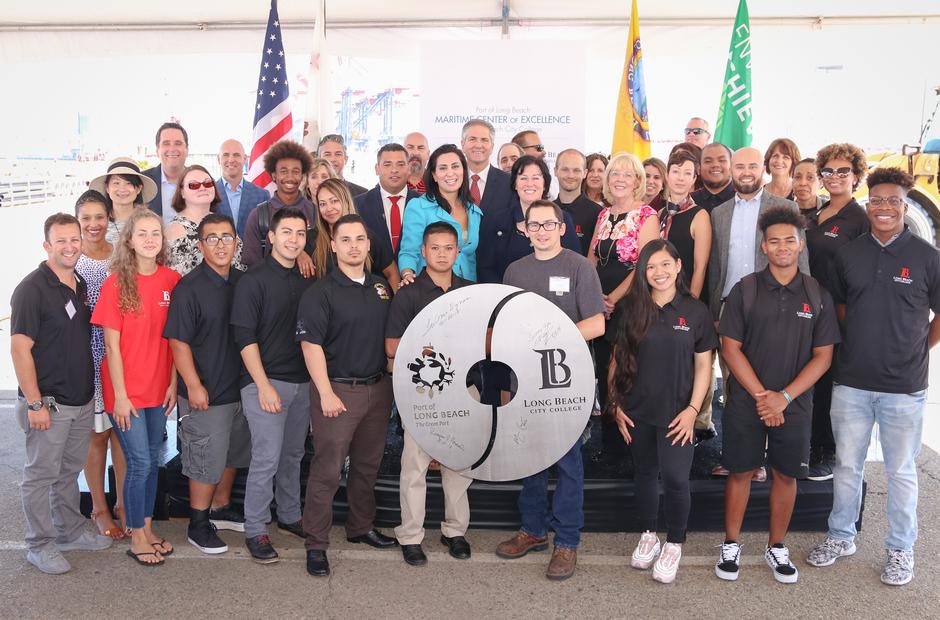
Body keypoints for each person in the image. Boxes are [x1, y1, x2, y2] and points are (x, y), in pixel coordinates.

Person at [807, 168, 940, 587]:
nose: (884, 207)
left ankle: (900, 550)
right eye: (877, 200)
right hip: (852, 381)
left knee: (901, 471)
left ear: (905, 205)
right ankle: (841, 536)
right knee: (847, 466)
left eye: (893, 200)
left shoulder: (927, 257)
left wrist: (919, 349)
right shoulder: (850, 254)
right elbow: (841, 310)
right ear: (868, 204)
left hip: (904, 386)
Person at [715, 206, 839, 585]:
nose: (782, 247)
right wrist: (762, 396)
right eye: (774, 241)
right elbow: (730, 347)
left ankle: (776, 546)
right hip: (747, 401)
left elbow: (824, 356)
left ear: (800, 245)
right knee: (740, 472)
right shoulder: (746, 289)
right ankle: (731, 543)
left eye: (789, 240)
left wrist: (783, 397)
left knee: (786, 475)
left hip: (795, 404)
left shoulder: (817, 294)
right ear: (763, 247)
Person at [495, 200, 606, 581]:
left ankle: (567, 541)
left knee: (568, 462)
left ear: (562, 228)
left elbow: (596, 324)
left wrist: (551, 338)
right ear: (525, 230)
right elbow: (507, 326)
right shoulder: (515, 270)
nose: (541, 231)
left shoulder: (579, 267)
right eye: (534, 225)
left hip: (566, 380)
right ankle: (534, 529)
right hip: (524, 378)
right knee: (532, 457)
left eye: (548, 224)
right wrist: (508, 383)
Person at [609, 240, 717, 584]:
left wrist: (692, 410)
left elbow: (704, 367)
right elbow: (615, 359)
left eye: (665, 265)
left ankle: (675, 542)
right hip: (637, 410)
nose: (659, 272)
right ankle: (649, 534)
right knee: (644, 474)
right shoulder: (630, 308)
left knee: (674, 478)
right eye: (651, 266)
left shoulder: (695, 311)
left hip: (677, 415)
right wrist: (614, 404)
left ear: (678, 265)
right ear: (643, 270)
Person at [12, 213, 113, 574]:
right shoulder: (31, 289)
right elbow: (20, 350)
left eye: (75, 240)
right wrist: (35, 403)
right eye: (61, 241)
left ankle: (69, 529)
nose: (70, 247)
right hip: (49, 404)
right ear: (47, 246)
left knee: (69, 471)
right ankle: (39, 545)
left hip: (81, 399)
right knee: (40, 475)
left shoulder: (81, 283)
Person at [297, 214, 398, 578]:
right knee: (327, 470)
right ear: (335, 245)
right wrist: (324, 392)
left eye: (360, 238)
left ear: (368, 245)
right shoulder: (320, 292)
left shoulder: (380, 288)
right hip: (338, 391)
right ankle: (316, 544)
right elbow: (310, 345)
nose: (354, 245)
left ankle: (360, 527)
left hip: (378, 389)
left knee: (367, 467)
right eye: (346, 239)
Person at [92, 208, 182, 566]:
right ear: (129, 240)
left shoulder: (172, 280)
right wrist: (121, 396)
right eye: (142, 233)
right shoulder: (116, 282)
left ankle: (146, 528)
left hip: (159, 388)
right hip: (125, 392)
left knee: (152, 461)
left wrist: (173, 383)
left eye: (155, 234)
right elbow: (111, 347)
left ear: (162, 241)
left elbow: (174, 340)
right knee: (140, 462)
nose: (149, 239)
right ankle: (135, 535)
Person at [385, 222, 474, 567]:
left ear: (457, 251)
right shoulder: (408, 294)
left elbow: (483, 342)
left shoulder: (469, 293)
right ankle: (410, 535)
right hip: (422, 390)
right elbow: (392, 348)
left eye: (448, 247)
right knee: (415, 465)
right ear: (422, 252)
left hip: (463, 388)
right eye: (434, 248)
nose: (441, 254)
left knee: (458, 463)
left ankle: (455, 532)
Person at [230, 207, 315, 564]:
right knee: (265, 458)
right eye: (286, 233)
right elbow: (244, 336)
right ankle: (256, 528)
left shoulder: (309, 278)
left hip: (302, 383)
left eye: (299, 233)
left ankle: (291, 514)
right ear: (271, 237)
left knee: (293, 454)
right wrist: (262, 384)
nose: (293, 239)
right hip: (265, 382)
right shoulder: (254, 280)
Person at [165, 213, 252, 554]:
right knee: (205, 457)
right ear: (200, 246)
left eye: (226, 237)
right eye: (212, 238)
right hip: (206, 391)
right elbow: (178, 342)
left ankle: (221, 506)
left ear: (236, 242)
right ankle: (198, 523)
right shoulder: (190, 288)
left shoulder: (243, 281)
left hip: (239, 388)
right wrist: (193, 384)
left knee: (233, 451)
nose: (220, 244)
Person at [802, 143, 870, 481]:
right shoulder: (818, 213)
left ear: (856, 175)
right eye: (828, 171)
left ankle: (826, 452)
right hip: (808, 311)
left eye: (843, 171)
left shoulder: (859, 219)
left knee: (830, 383)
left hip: (840, 314)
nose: (834, 177)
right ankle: (809, 444)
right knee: (812, 381)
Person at [74, 191, 129, 541]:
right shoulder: (72, 258)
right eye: (86, 218)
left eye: (99, 217)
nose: (94, 224)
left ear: (109, 218)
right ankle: (99, 507)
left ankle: (124, 503)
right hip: (86, 356)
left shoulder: (120, 256)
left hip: (119, 356)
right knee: (98, 436)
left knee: (123, 435)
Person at [588, 152, 659, 411]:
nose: (620, 179)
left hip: (629, 303)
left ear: (637, 181)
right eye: (615, 173)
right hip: (600, 304)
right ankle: (609, 440)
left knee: (626, 371)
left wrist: (612, 300)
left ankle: (629, 440)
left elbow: (645, 264)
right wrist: (595, 298)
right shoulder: (603, 215)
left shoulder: (647, 216)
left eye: (627, 174)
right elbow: (591, 260)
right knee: (604, 368)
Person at [708, 147, 810, 321]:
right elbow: (715, 268)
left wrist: (805, 305)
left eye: (753, 166)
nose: (746, 172)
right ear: (731, 170)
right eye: (740, 167)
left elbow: (801, 261)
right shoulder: (718, 213)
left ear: (763, 169)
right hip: (729, 306)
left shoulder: (786, 207)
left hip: (776, 305)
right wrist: (714, 313)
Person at [477, 155, 581, 284]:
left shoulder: (561, 217)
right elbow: (485, 267)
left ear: (545, 184)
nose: (529, 183)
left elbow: (573, 263)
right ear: (515, 184)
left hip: (552, 298)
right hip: (506, 297)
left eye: (536, 178)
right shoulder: (497, 220)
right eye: (523, 178)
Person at [398, 144, 483, 283]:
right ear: (434, 175)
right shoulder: (418, 207)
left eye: (455, 166)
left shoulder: (474, 211)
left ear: (463, 171)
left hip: (468, 290)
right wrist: (408, 274)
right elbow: (409, 251)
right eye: (443, 168)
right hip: (430, 289)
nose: (450, 173)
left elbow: (470, 256)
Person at [241, 140, 318, 277]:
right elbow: (251, 264)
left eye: (296, 171)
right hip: (269, 289)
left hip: (308, 288)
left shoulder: (315, 212)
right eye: (283, 171)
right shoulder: (259, 215)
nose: (290, 177)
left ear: (302, 175)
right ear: (274, 175)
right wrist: (296, 253)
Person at [314, 178, 399, 287]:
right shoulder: (313, 238)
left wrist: (397, 302)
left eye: (334, 201)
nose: (329, 208)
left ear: (346, 201)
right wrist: (301, 255)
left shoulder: (366, 236)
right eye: (322, 204)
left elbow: (392, 272)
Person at [166, 164, 244, 276]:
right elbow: (175, 279)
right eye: (194, 185)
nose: (202, 188)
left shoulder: (223, 222)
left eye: (207, 183)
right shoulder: (176, 230)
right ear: (182, 192)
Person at [659, 150, 711, 301]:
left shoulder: (700, 216)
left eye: (687, 173)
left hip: (685, 294)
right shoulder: (660, 213)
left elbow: (700, 268)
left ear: (694, 178)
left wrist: (691, 303)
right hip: (658, 292)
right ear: (667, 176)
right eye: (676, 171)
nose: (681, 178)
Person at [354, 143, 420, 259]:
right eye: (387, 165)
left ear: (408, 168)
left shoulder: (422, 203)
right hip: (373, 275)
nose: (394, 170)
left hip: (417, 275)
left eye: (400, 164)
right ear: (377, 169)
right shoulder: (358, 205)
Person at [88, 157, 158, 243]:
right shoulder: (97, 221)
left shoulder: (150, 220)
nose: (122, 189)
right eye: (116, 183)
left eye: (129, 183)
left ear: (139, 189)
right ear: (107, 188)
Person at [216, 139, 270, 238]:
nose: (231, 160)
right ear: (218, 159)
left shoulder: (262, 195)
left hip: (251, 253)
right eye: (226, 155)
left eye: (236, 155)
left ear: (244, 159)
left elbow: (266, 234)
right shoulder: (209, 193)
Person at [555, 148, 602, 255]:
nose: (570, 175)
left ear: (585, 173)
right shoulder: (546, 210)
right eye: (565, 169)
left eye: (576, 170)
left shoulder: (598, 213)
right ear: (555, 171)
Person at [143, 121, 189, 225]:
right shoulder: (143, 181)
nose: (172, 149)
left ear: (187, 150)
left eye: (178, 143)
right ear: (157, 150)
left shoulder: (201, 182)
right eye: (166, 143)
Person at [691, 143, 735, 213]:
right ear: (699, 168)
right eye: (708, 161)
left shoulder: (742, 200)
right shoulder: (689, 201)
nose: (715, 165)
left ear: (732, 166)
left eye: (722, 160)